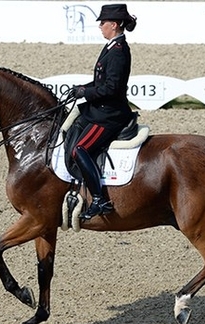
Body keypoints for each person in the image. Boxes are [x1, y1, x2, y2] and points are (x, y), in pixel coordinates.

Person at [70, 4, 137, 221]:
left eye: (103, 23)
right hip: (100, 109)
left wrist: (85, 92)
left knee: (80, 149)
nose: (100, 26)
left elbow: (112, 88)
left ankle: (99, 199)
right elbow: (102, 80)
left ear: (115, 25)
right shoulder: (110, 46)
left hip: (110, 115)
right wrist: (81, 88)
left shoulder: (118, 52)